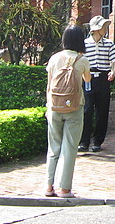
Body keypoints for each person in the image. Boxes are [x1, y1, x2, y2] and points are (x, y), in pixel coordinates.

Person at [45, 25, 91, 198]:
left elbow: (49, 84)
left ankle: (49, 187)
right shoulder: (82, 59)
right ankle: (65, 189)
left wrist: (48, 106)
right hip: (74, 106)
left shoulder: (54, 58)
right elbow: (87, 79)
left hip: (54, 106)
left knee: (53, 148)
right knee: (70, 148)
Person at [78, 15, 115, 153]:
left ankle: (97, 141)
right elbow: (79, 61)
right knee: (87, 110)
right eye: (103, 27)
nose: (105, 29)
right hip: (88, 78)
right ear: (96, 29)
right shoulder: (84, 44)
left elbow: (114, 60)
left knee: (102, 111)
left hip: (103, 79)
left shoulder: (109, 43)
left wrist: (113, 72)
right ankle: (84, 141)